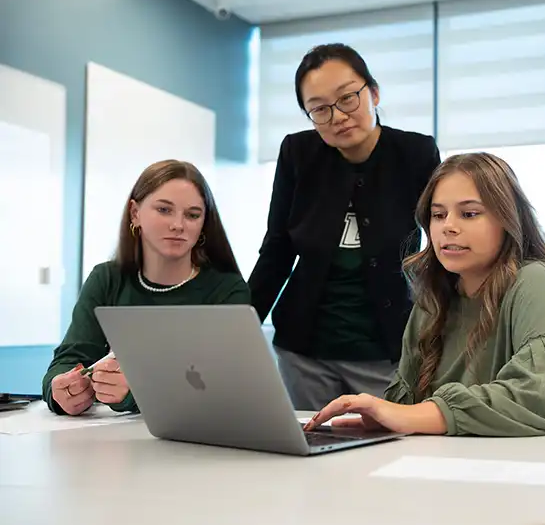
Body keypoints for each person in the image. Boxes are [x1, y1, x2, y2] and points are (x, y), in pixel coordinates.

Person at [303, 152, 545, 437]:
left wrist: (414, 417)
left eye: (469, 213)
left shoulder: (537, 281)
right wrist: (383, 419)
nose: (448, 227)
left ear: (508, 219)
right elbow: (407, 403)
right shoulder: (433, 297)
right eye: (438, 215)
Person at [248, 43, 441, 410]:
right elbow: (277, 250)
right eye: (320, 108)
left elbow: (441, 246)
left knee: (384, 455)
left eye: (348, 98)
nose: (337, 116)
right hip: (303, 350)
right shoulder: (297, 153)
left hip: (386, 347)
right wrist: (237, 330)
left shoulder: (415, 153)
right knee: (311, 453)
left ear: (373, 92)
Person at [43, 160, 250, 416]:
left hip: (199, 442)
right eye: (164, 210)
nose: (178, 224)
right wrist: (60, 389)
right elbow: (69, 358)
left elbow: (227, 386)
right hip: (111, 447)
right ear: (135, 213)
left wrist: (137, 393)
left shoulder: (227, 289)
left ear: (204, 224)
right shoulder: (106, 278)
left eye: (193, 214)